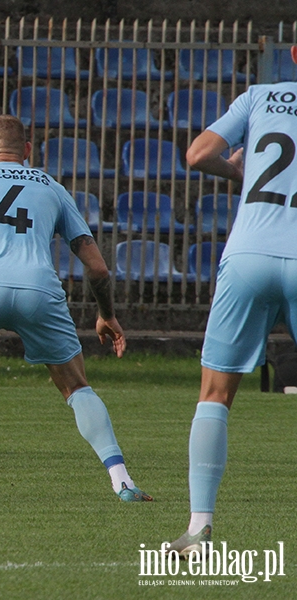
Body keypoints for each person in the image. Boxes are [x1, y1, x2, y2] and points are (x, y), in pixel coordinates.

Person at [0, 115, 152, 501]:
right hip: (39, 291)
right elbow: (97, 266)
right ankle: (123, 482)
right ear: (28, 152)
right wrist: (106, 314)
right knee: (76, 386)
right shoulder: (53, 187)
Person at [165, 46, 297, 558]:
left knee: (214, 394)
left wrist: (239, 174)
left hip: (248, 254)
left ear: (292, 53)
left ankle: (198, 529)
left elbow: (197, 154)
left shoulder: (260, 96)